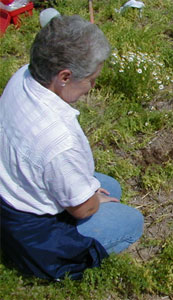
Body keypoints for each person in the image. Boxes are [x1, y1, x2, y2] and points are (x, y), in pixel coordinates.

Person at [0, 15, 144, 280]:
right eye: (91, 79)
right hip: (30, 233)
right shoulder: (58, 141)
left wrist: (91, 193)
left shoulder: (24, 75)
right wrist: (90, 202)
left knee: (109, 186)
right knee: (131, 221)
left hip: (9, 189)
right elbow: (82, 209)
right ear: (64, 76)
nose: (92, 87)